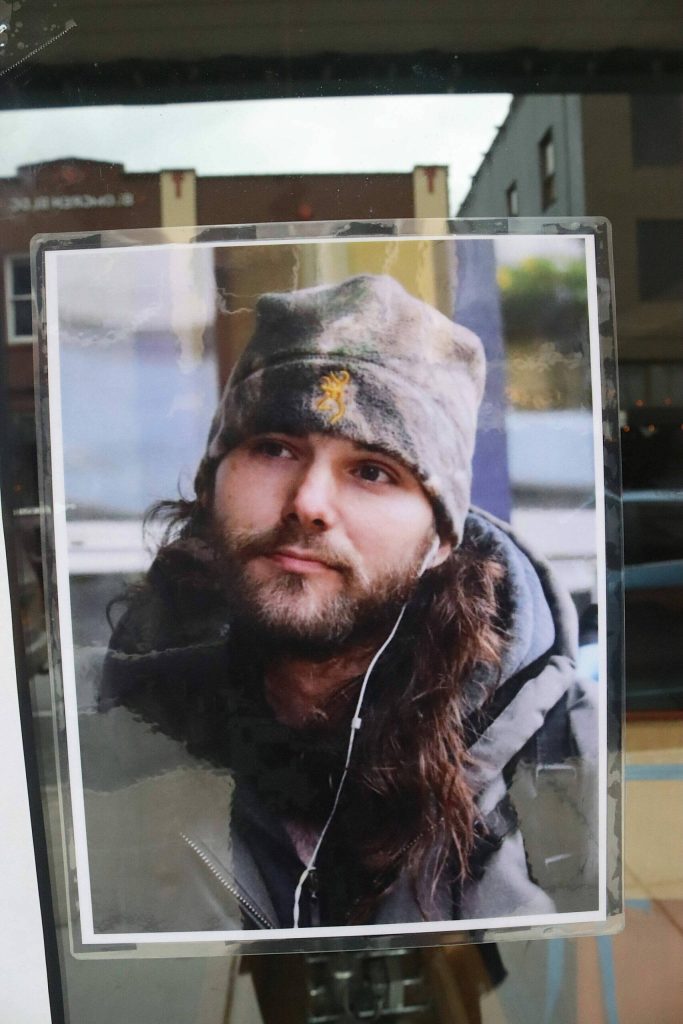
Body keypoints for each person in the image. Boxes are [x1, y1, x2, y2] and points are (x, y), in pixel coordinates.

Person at [82, 273, 599, 936]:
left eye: (372, 470)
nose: (308, 502)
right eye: (274, 448)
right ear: (214, 481)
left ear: (441, 538)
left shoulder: (566, 755)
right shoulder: (103, 733)